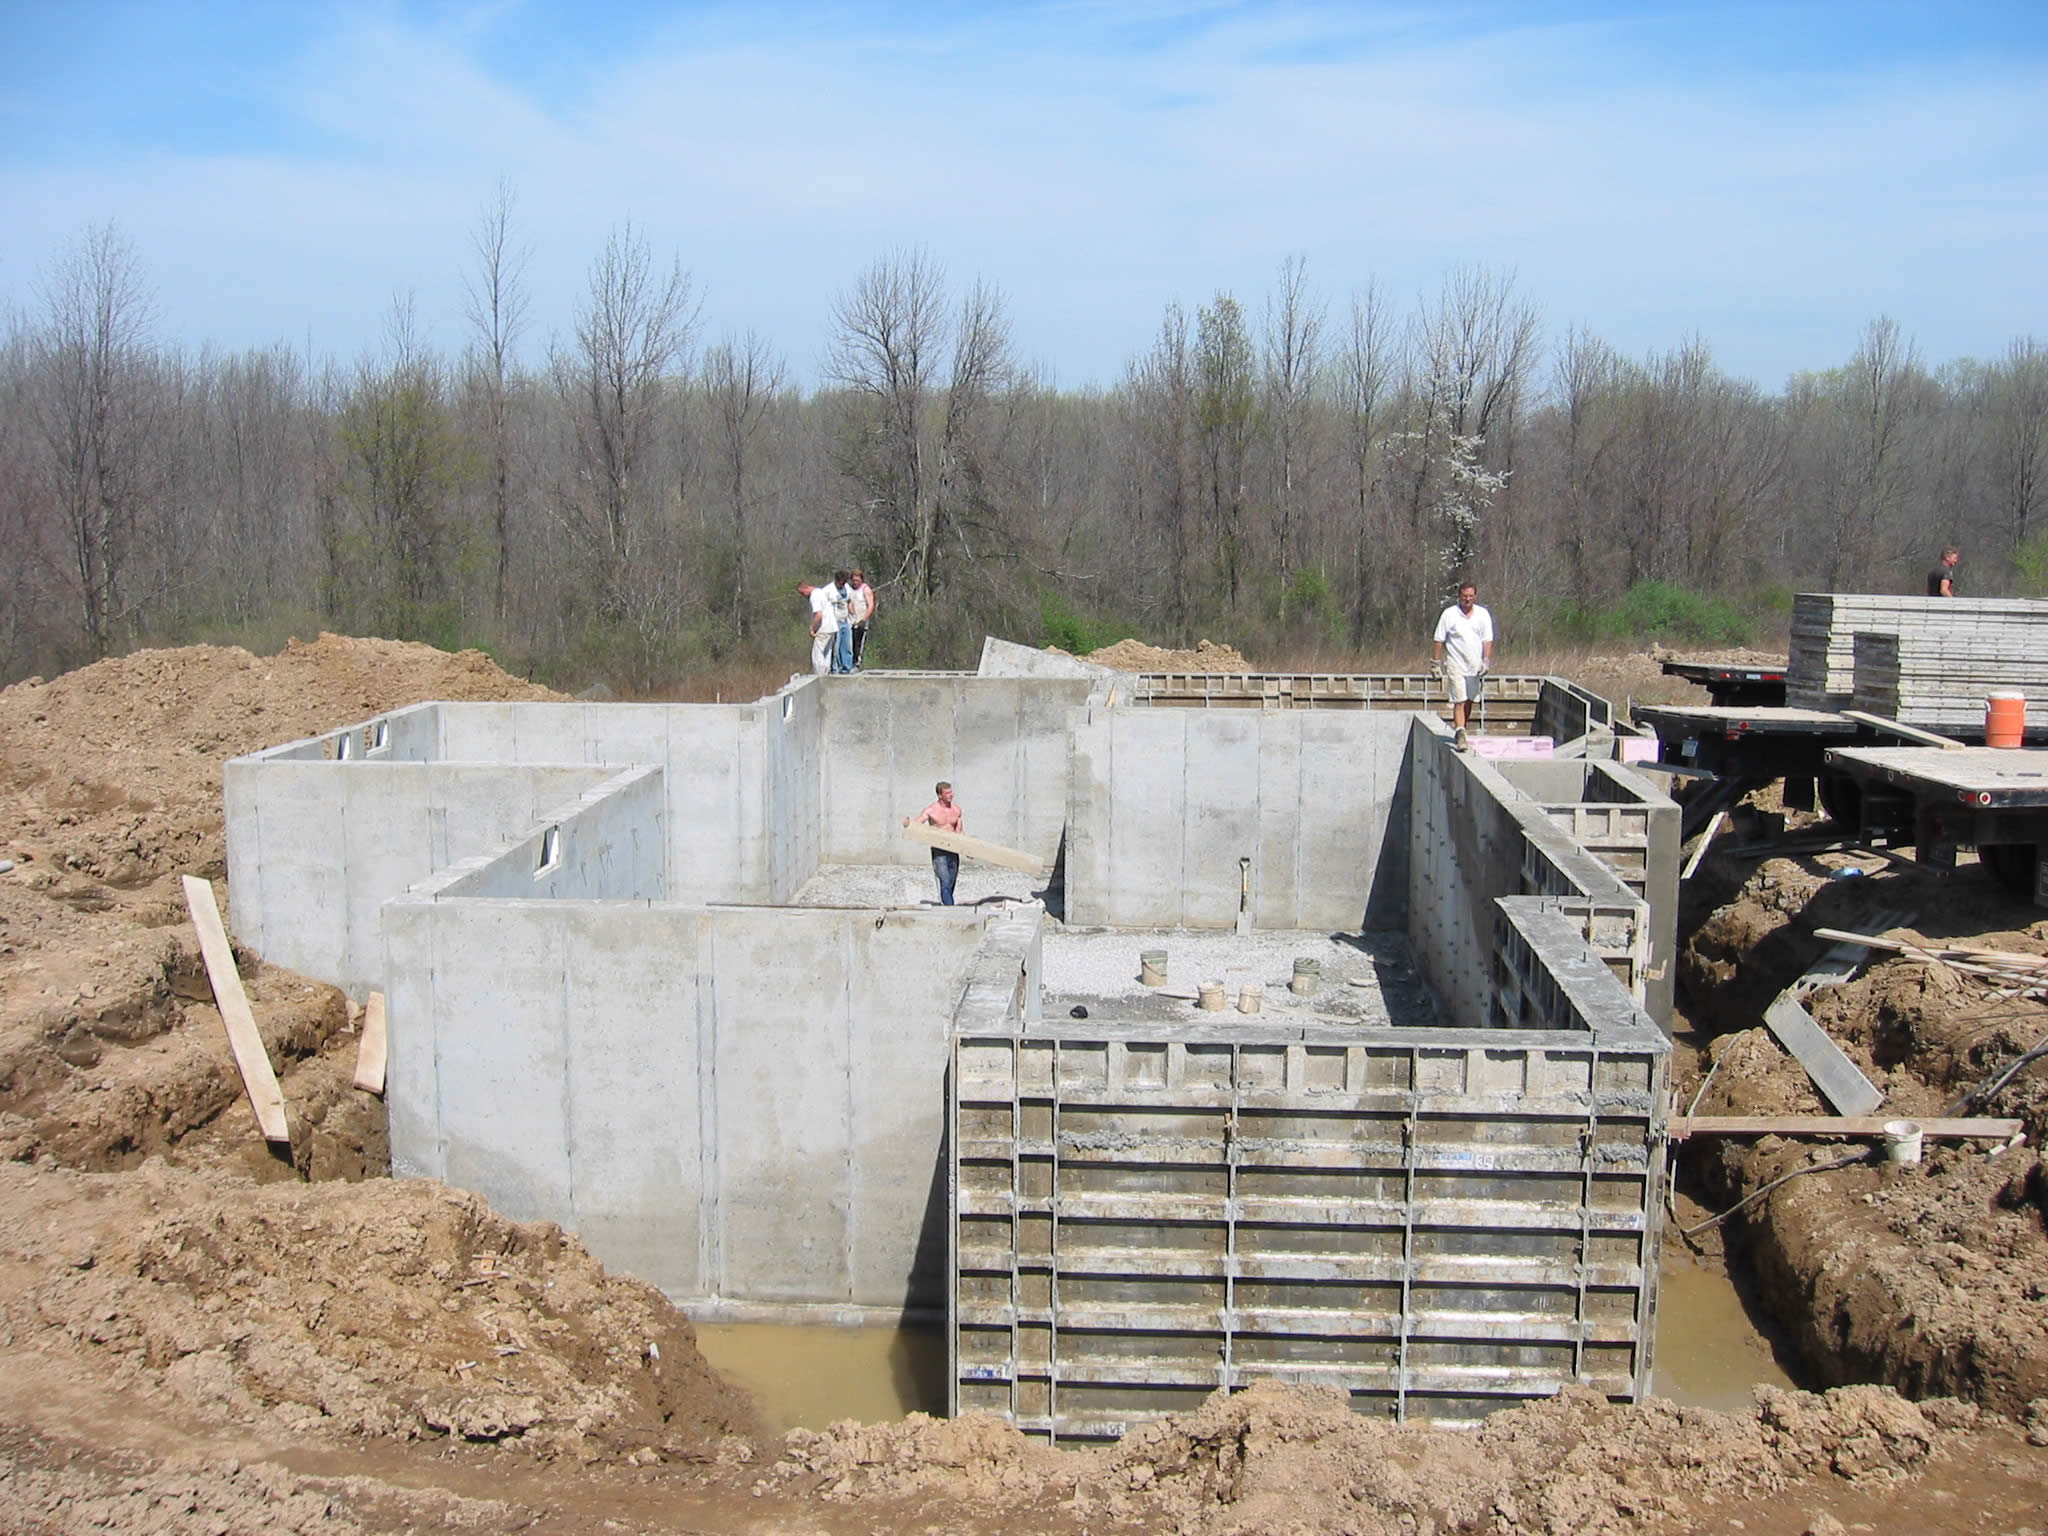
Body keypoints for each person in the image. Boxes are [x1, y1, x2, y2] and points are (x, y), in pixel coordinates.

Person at [1431, 581, 1495, 750]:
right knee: (1459, 699)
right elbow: (1439, 639)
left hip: (1474, 665)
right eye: (1464, 596)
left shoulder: (1482, 615)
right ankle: (1460, 733)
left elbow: (1487, 640)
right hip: (1455, 664)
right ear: (1459, 596)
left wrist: (1486, 660)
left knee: (1469, 700)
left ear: (1475, 596)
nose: (1467, 599)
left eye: (1470, 596)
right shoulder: (1449, 615)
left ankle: (1462, 729)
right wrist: (1435, 663)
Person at [903, 780, 963, 905]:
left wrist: (967, 848)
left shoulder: (956, 810)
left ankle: (947, 904)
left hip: (954, 849)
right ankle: (950, 908)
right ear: (940, 795)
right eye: (947, 793)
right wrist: (909, 824)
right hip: (939, 850)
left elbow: (960, 831)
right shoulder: (931, 810)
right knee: (945, 881)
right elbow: (918, 822)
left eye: (951, 792)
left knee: (951, 881)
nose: (951, 795)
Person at [804, 578, 839, 676]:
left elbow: (819, 615)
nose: (804, 596)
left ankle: (819, 677)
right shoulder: (820, 591)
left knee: (817, 655)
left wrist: (812, 628)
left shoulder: (814, 595)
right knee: (827, 654)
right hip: (832, 627)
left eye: (803, 593)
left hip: (824, 628)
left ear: (806, 588)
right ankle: (826, 675)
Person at [847, 569, 876, 670]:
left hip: (862, 622)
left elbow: (871, 605)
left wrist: (864, 620)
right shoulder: (850, 589)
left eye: (857, 580)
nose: (855, 582)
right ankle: (849, 664)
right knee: (851, 644)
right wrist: (851, 613)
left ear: (861, 579)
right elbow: (850, 603)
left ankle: (857, 664)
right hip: (852, 621)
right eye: (853, 580)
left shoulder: (866, 589)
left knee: (859, 644)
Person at [831, 571, 856, 674]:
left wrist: (853, 615)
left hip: (845, 621)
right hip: (834, 622)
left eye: (844, 583)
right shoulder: (829, 590)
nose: (842, 585)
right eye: (841, 583)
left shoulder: (847, 588)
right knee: (836, 648)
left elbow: (849, 602)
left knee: (847, 646)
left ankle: (847, 668)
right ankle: (835, 669)